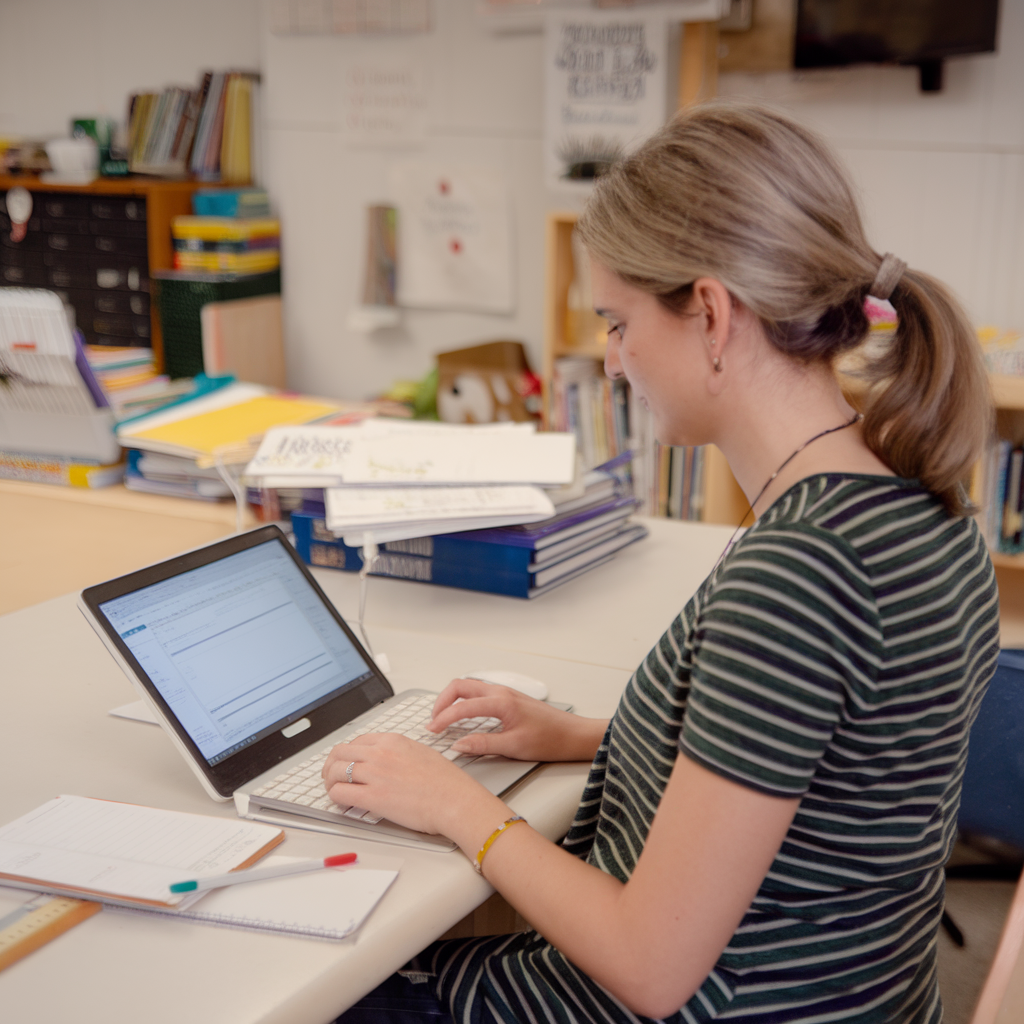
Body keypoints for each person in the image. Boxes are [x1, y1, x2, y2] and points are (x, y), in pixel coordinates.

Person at [325, 102, 1000, 1024]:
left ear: (712, 314)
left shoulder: (801, 571)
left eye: (617, 321)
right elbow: (808, 763)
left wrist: (451, 803)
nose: (611, 362)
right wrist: (579, 734)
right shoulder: (926, 503)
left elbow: (650, 966)